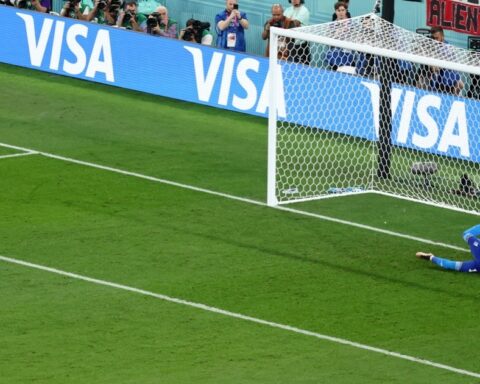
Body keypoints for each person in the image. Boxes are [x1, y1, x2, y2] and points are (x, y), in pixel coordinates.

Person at [428, 27, 464, 96]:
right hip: (439, 81)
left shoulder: (447, 48)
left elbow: (435, 68)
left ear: (442, 36)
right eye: (433, 38)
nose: (435, 40)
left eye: (437, 38)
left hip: (447, 81)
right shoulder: (431, 45)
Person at [325, 2, 354, 71]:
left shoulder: (352, 24)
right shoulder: (332, 25)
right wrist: (336, 34)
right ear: (335, 11)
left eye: (343, 10)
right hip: (335, 55)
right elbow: (329, 40)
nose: (341, 12)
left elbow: (354, 39)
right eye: (338, 10)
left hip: (348, 55)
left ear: (346, 11)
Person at [284, 0, 310, 64]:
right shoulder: (288, 10)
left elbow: (294, 24)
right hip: (288, 42)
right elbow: (282, 22)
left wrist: (286, 20)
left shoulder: (304, 10)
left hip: (300, 45)